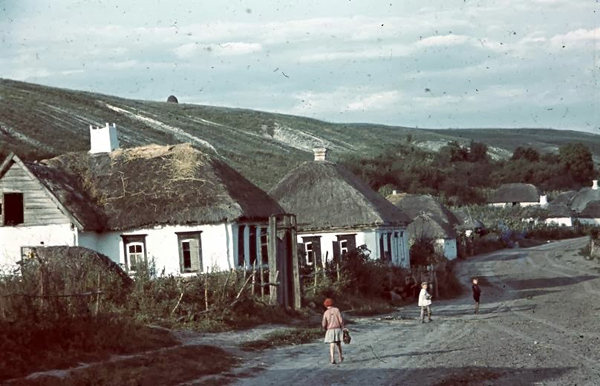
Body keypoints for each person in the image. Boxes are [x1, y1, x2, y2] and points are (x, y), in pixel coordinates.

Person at [322, 298, 344, 364]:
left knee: (332, 344)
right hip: (337, 329)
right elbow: (341, 320)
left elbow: (324, 323)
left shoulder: (325, 313)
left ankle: (332, 358)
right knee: (338, 343)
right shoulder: (336, 310)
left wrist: (325, 328)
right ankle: (340, 357)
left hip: (330, 330)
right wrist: (343, 327)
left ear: (325, 305)